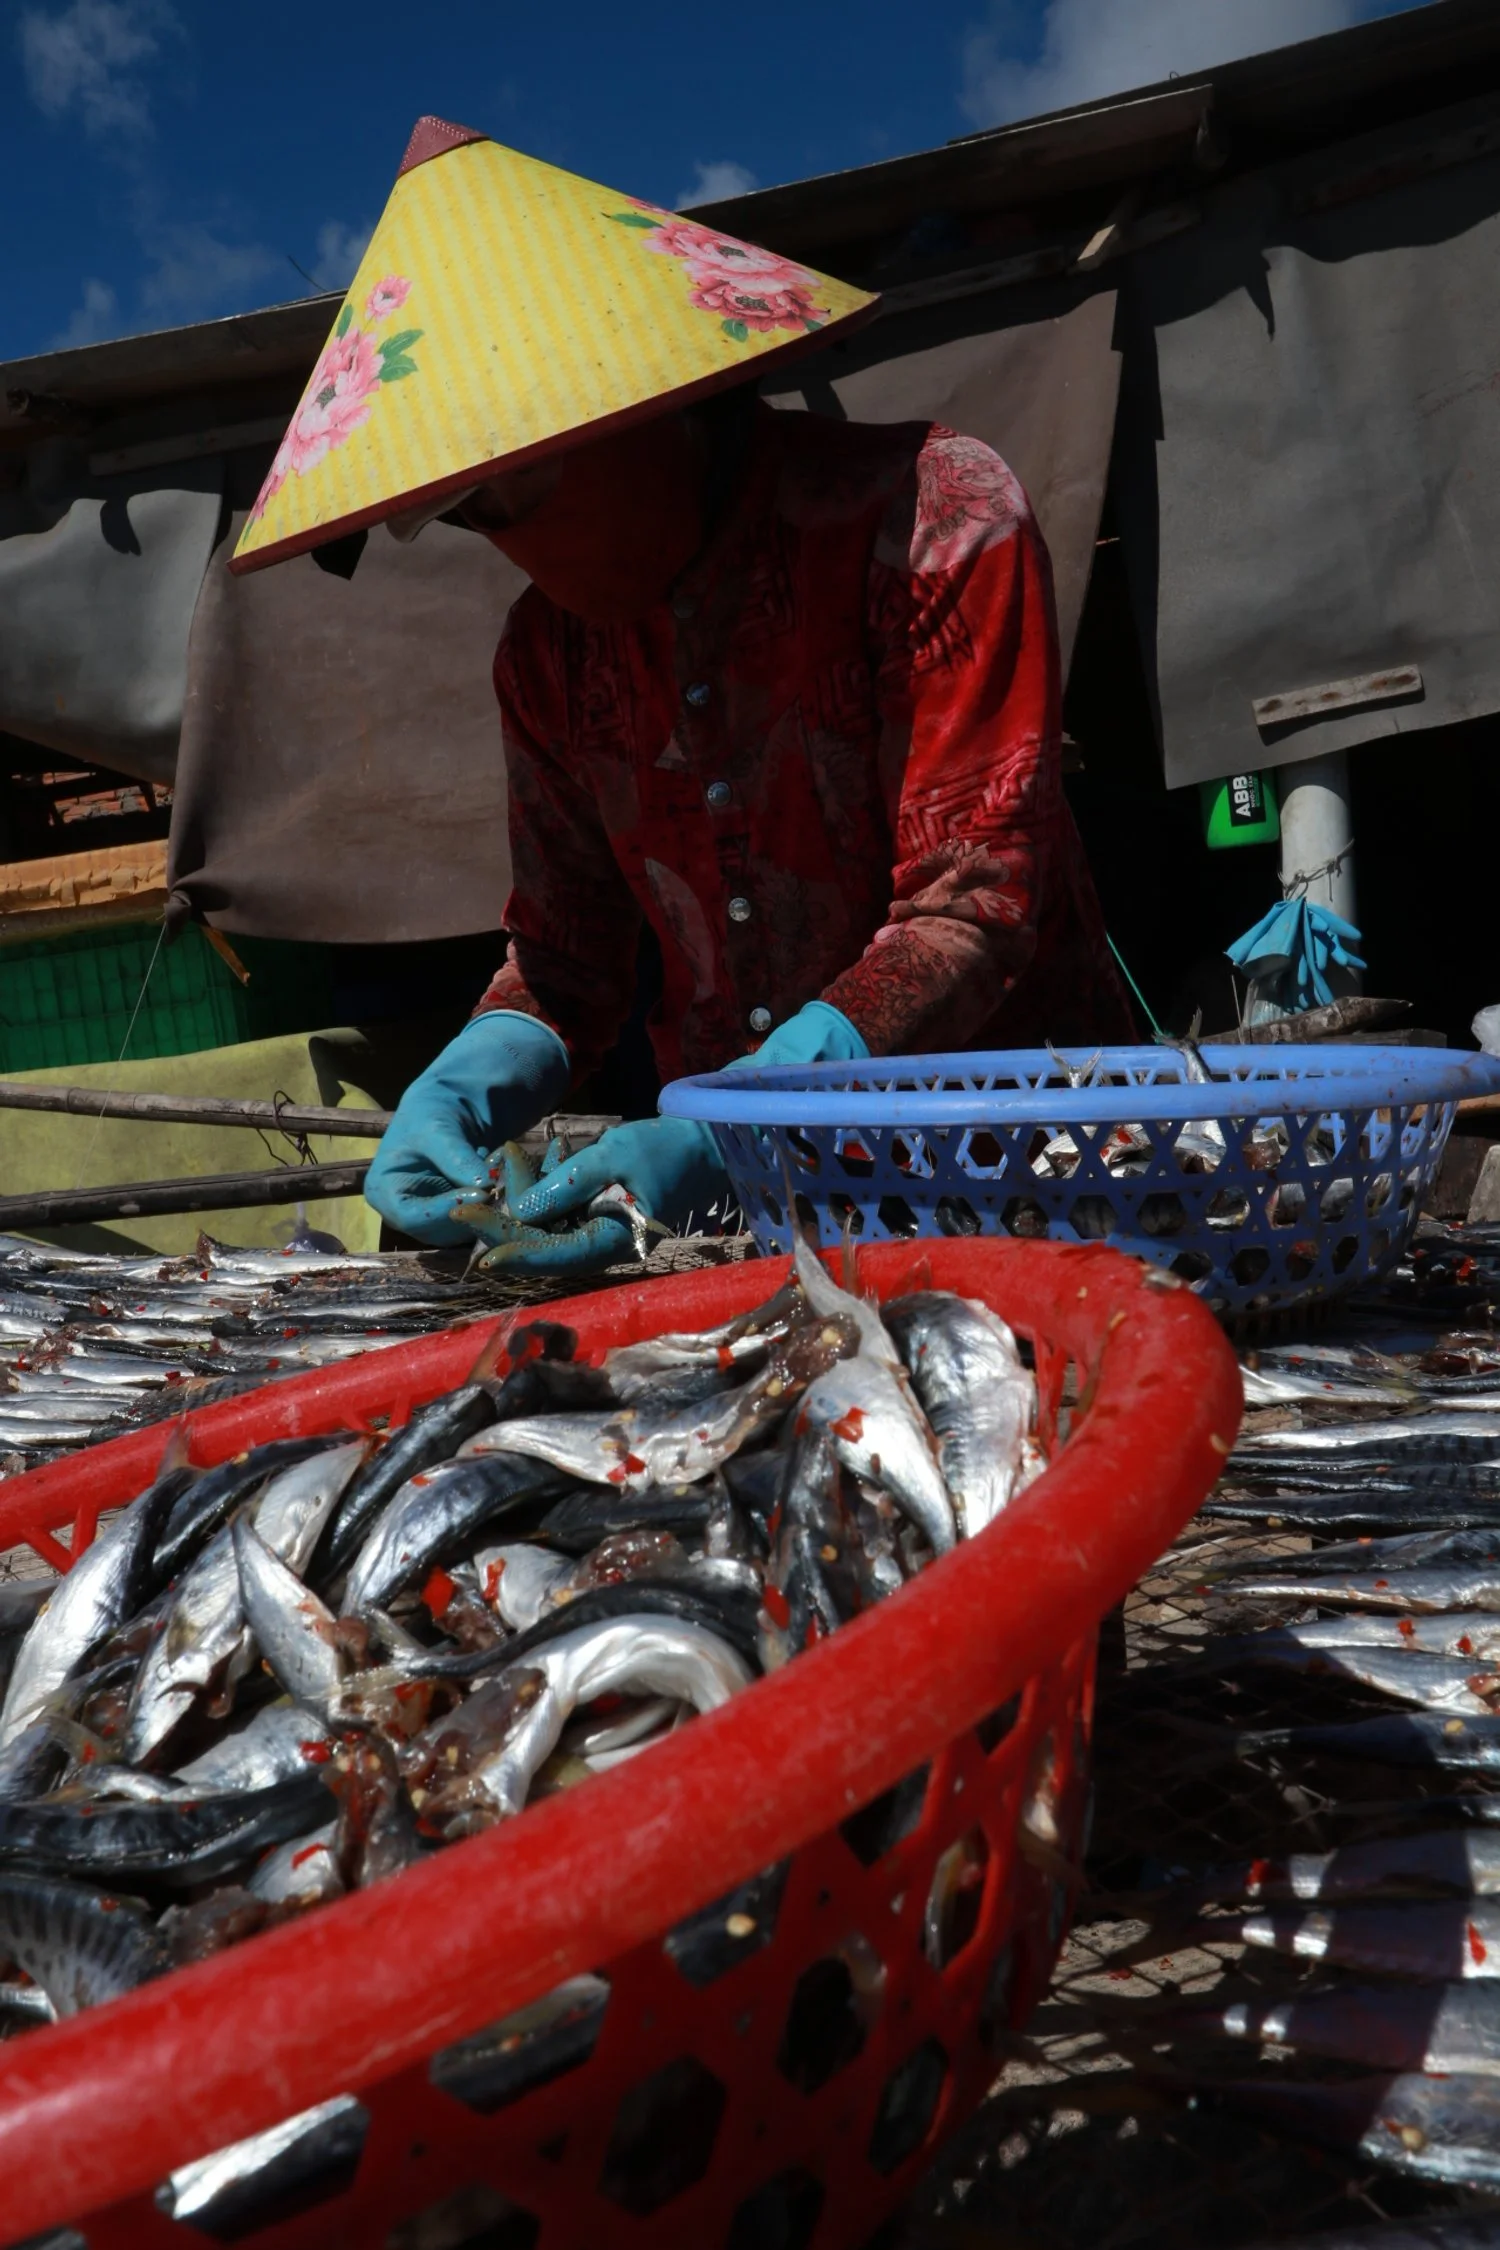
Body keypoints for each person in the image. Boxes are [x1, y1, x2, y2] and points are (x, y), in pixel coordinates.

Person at [232, 117, 1132, 1275]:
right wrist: (469, 1078)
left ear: (627, 406)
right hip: (745, 1229)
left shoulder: (929, 520)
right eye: (461, 516)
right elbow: (568, 957)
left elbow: (971, 905)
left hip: (1033, 1179)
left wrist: (737, 1116)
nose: (501, 545)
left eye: (500, 495)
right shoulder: (547, 663)